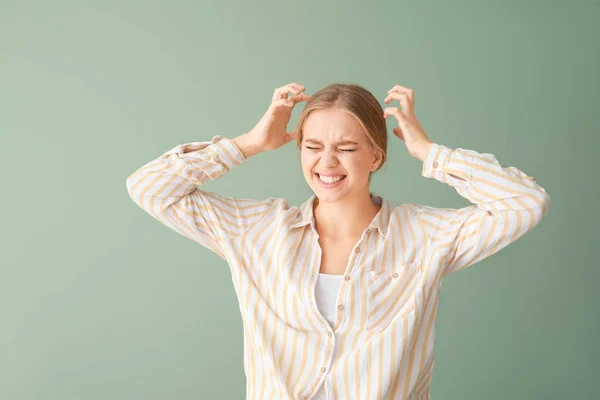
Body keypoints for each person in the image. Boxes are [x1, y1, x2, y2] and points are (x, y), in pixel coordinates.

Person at [126, 82, 551, 399]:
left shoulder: (424, 236)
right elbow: (149, 188)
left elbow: (526, 203)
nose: (326, 162)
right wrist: (249, 144)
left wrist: (428, 151)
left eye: (346, 148)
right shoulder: (258, 230)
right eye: (312, 146)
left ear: (376, 156)